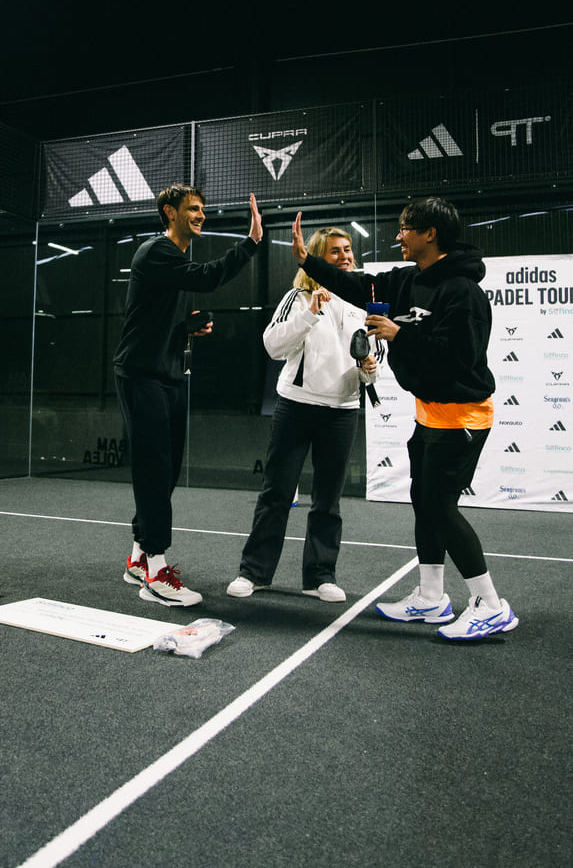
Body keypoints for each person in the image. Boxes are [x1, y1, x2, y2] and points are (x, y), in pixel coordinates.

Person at [292, 197, 518, 640]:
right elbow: (358, 285)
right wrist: (307, 261)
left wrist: (401, 334)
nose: (398, 237)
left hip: (463, 416)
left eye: (405, 229)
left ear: (430, 234)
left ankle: (491, 605)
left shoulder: (462, 292)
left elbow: (459, 359)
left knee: (440, 507)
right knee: (424, 501)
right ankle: (431, 597)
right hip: (429, 414)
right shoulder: (406, 279)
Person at [115, 185, 263, 606]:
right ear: (170, 212)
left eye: (202, 209)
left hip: (169, 376)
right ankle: (156, 573)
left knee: (166, 470)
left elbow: (158, 319)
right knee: (154, 469)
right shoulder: (157, 252)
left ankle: (138, 557)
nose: (201, 215)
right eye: (193, 209)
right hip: (141, 375)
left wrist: (187, 327)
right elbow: (208, 277)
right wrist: (251, 242)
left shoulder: (175, 261)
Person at [227, 226, 377, 604]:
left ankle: (320, 576)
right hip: (296, 406)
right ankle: (254, 573)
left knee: (328, 500)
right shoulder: (298, 297)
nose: (344, 256)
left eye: (347, 250)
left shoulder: (363, 302)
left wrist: (369, 369)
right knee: (277, 493)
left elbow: (373, 358)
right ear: (317, 257)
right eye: (334, 251)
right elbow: (272, 345)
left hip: (342, 411)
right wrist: (310, 314)